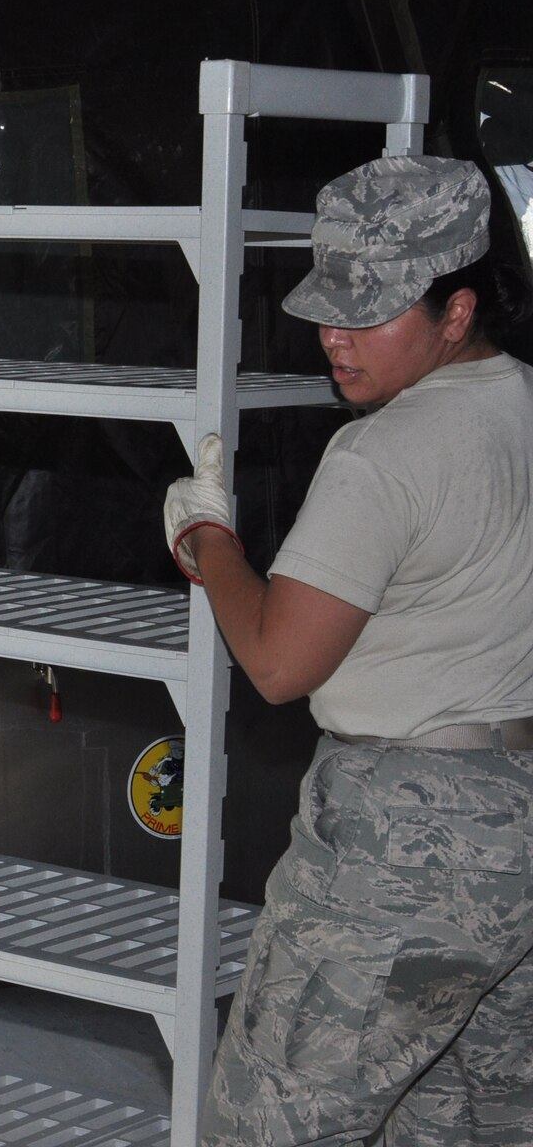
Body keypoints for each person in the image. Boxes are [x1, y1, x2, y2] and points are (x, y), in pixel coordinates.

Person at [162, 156, 533, 1145]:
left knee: (266, 1125)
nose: (334, 333)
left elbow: (279, 660)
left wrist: (206, 543)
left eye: (369, 312)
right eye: (327, 305)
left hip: (406, 842)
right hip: (516, 829)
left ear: (456, 310)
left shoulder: (383, 452)